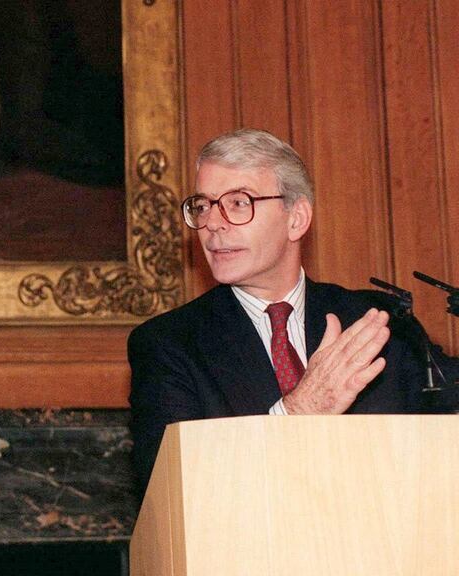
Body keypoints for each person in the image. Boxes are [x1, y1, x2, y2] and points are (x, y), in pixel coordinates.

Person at [128, 128, 456, 495]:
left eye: (238, 202)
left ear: (296, 218)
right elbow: (173, 492)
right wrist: (298, 412)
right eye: (202, 206)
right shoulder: (168, 344)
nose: (212, 224)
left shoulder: (377, 321)